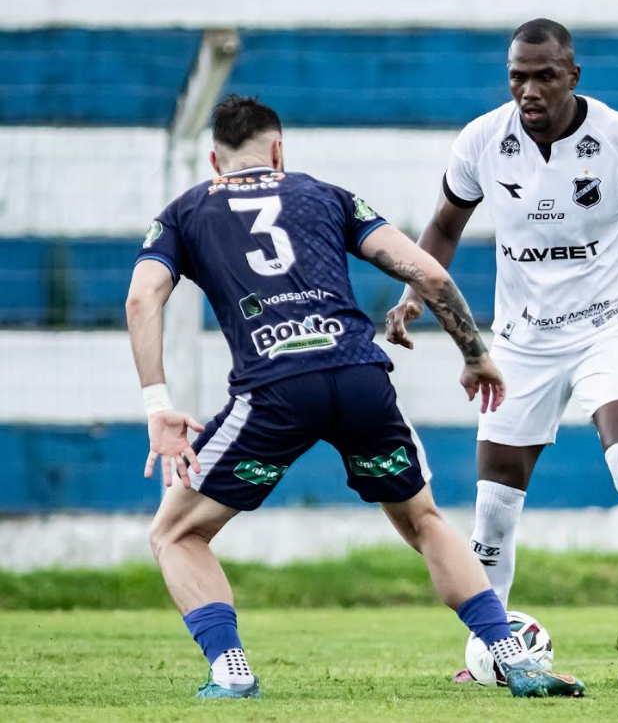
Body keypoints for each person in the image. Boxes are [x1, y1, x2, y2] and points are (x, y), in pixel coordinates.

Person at [125, 94, 585, 700]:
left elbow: (142, 298)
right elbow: (430, 274)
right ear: (278, 151)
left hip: (275, 388)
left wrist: (158, 407)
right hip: (360, 378)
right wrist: (474, 354)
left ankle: (231, 672)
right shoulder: (325, 195)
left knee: (176, 534)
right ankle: (512, 657)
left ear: (215, 160)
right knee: (423, 521)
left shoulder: (185, 211)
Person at [385, 18, 618, 686]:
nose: (528, 90)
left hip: (608, 328)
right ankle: (492, 651)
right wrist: (413, 293)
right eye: (517, 77)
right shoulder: (483, 140)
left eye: (544, 76)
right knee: (493, 505)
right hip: (523, 341)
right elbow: (444, 226)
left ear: (572, 76)